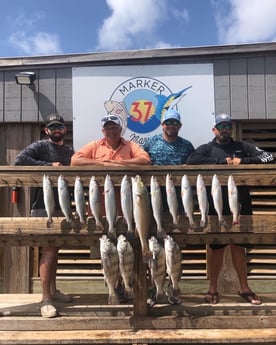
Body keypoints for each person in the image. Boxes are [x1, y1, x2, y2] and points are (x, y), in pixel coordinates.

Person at [186, 113, 274, 305]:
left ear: (231, 129)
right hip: (216, 207)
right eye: (221, 126)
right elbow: (191, 160)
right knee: (215, 248)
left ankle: (244, 288)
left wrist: (244, 162)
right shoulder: (207, 149)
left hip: (242, 205)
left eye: (227, 126)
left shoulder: (243, 147)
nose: (224, 129)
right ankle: (213, 288)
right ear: (214, 129)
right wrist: (219, 163)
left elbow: (269, 157)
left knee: (239, 246)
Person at [14, 113, 74, 318]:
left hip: (62, 205)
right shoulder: (39, 146)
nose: (57, 129)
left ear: (64, 129)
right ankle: (45, 299)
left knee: (54, 250)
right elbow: (18, 160)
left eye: (60, 126)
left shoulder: (69, 151)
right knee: (48, 251)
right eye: (52, 127)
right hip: (42, 206)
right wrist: (48, 167)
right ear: (46, 130)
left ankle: (54, 291)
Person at [71, 114, 151, 166]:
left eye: (114, 128)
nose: (111, 131)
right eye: (107, 129)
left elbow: (145, 160)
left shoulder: (131, 145)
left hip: (126, 190)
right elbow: (74, 161)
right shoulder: (94, 145)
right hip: (99, 191)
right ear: (103, 131)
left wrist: (119, 162)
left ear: (120, 129)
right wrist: (103, 164)